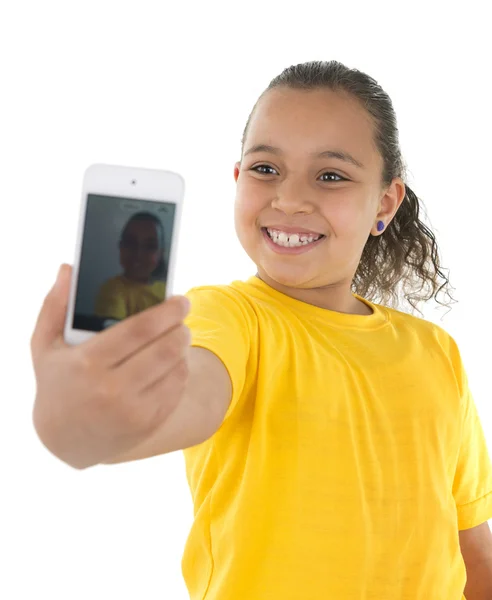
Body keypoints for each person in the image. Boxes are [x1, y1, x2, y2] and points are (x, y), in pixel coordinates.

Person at [30, 61, 492, 599]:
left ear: (385, 203)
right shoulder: (226, 317)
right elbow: (187, 397)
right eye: (266, 169)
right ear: (237, 179)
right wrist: (75, 422)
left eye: (331, 175)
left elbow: (471, 547)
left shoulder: (436, 351)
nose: (289, 199)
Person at [94, 211, 167, 321]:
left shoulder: (167, 290)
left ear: (160, 253)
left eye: (150, 246)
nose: (138, 253)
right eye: (130, 243)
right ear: (121, 247)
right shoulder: (113, 290)